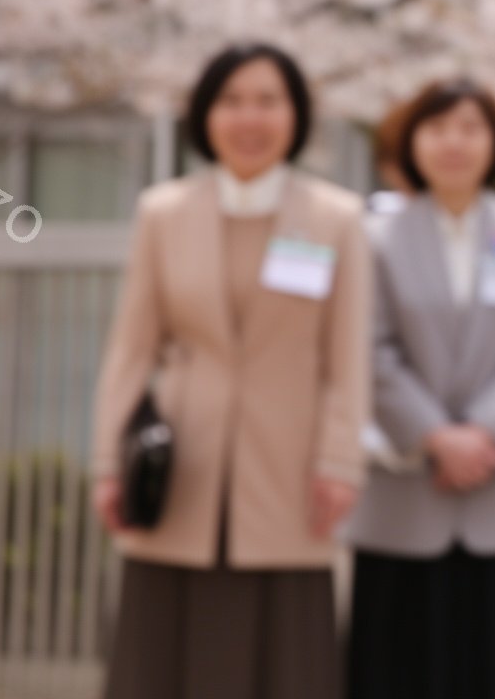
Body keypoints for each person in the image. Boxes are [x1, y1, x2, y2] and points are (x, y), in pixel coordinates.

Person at [90, 42, 372, 699]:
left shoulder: (336, 219)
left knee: (288, 661)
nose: (250, 118)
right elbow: (131, 350)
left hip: (291, 471)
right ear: (205, 115)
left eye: (268, 101)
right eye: (232, 101)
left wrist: (340, 461)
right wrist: (108, 463)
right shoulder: (163, 214)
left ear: (296, 115)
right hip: (177, 468)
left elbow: (347, 357)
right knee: (159, 661)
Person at [345, 78, 495, 699]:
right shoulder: (374, 237)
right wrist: (434, 436)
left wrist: (485, 432)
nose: (454, 142)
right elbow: (368, 346)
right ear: (411, 142)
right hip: (407, 491)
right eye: (437, 128)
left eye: (471, 128)